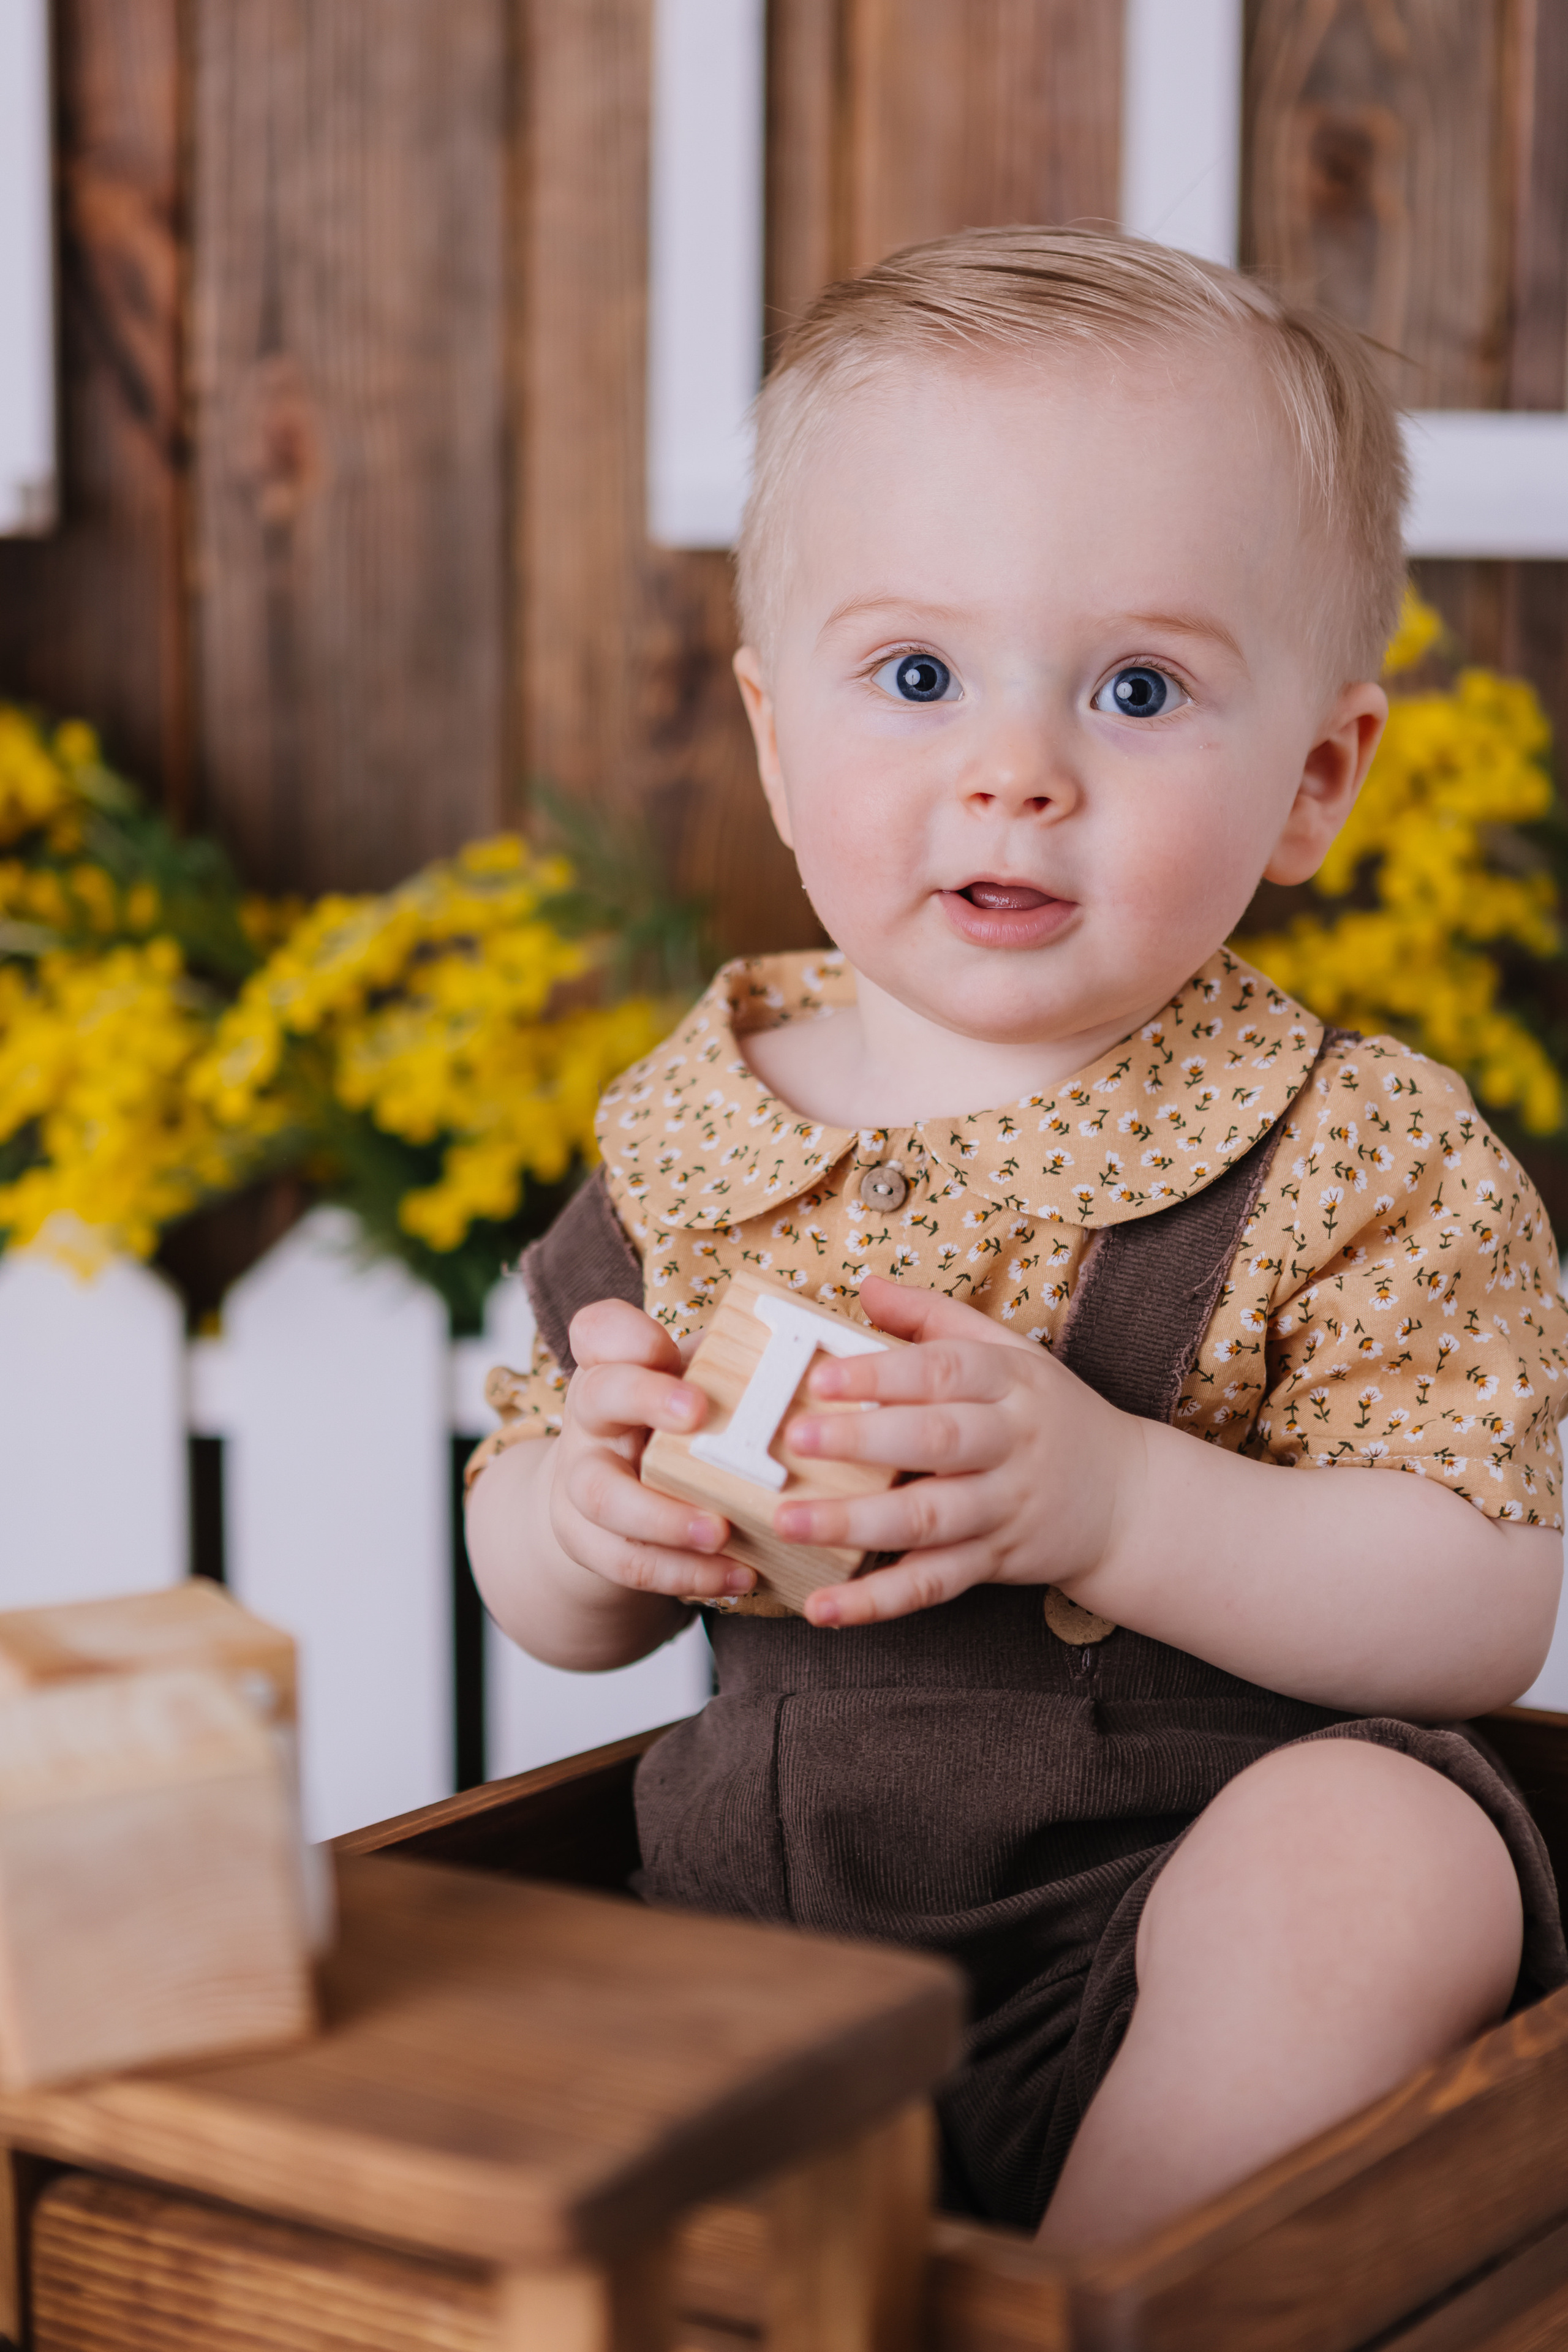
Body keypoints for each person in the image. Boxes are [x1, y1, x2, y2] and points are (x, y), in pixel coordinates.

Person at [465, 228, 1568, 2251]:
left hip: (1170, 1951)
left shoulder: (1358, 1149)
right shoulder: (706, 1126)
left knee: (1396, 1854)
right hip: (753, 1962)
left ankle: (1084, 2300)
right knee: (488, 2006)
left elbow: (1483, 1604)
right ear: (781, 739)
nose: (1015, 769)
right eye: (914, 676)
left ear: (1315, 778)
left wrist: (1117, 1503)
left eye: (1138, 689)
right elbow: (553, 1592)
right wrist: (576, 1515)